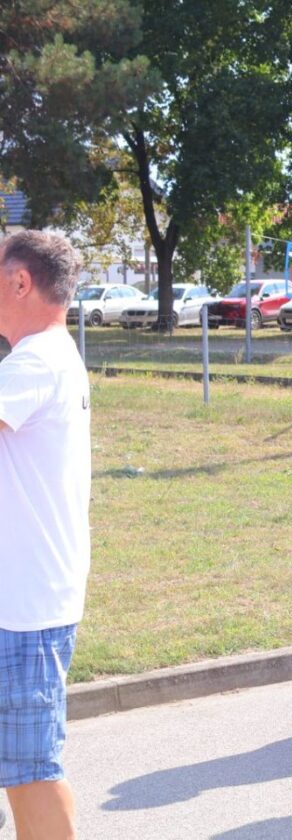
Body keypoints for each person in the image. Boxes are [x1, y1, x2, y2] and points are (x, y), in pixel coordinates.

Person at [0, 230, 91, 840]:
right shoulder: (42, 356)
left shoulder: (35, 362)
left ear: (20, 281)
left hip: (24, 608)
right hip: (23, 598)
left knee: (29, 771)